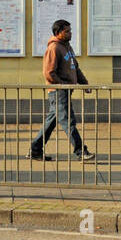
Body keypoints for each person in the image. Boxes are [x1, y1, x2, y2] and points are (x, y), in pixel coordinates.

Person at [27, 20, 95, 162]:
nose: (70, 33)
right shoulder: (54, 48)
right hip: (58, 91)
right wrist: (63, 85)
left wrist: (84, 83)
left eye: (70, 30)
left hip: (65, 91)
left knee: (51, 122)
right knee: (69, 121)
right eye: (67, 31)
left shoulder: (68, 47)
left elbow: (75, 68)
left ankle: (35, 150)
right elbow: (49, 73)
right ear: (58, 33)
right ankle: (81, 151)